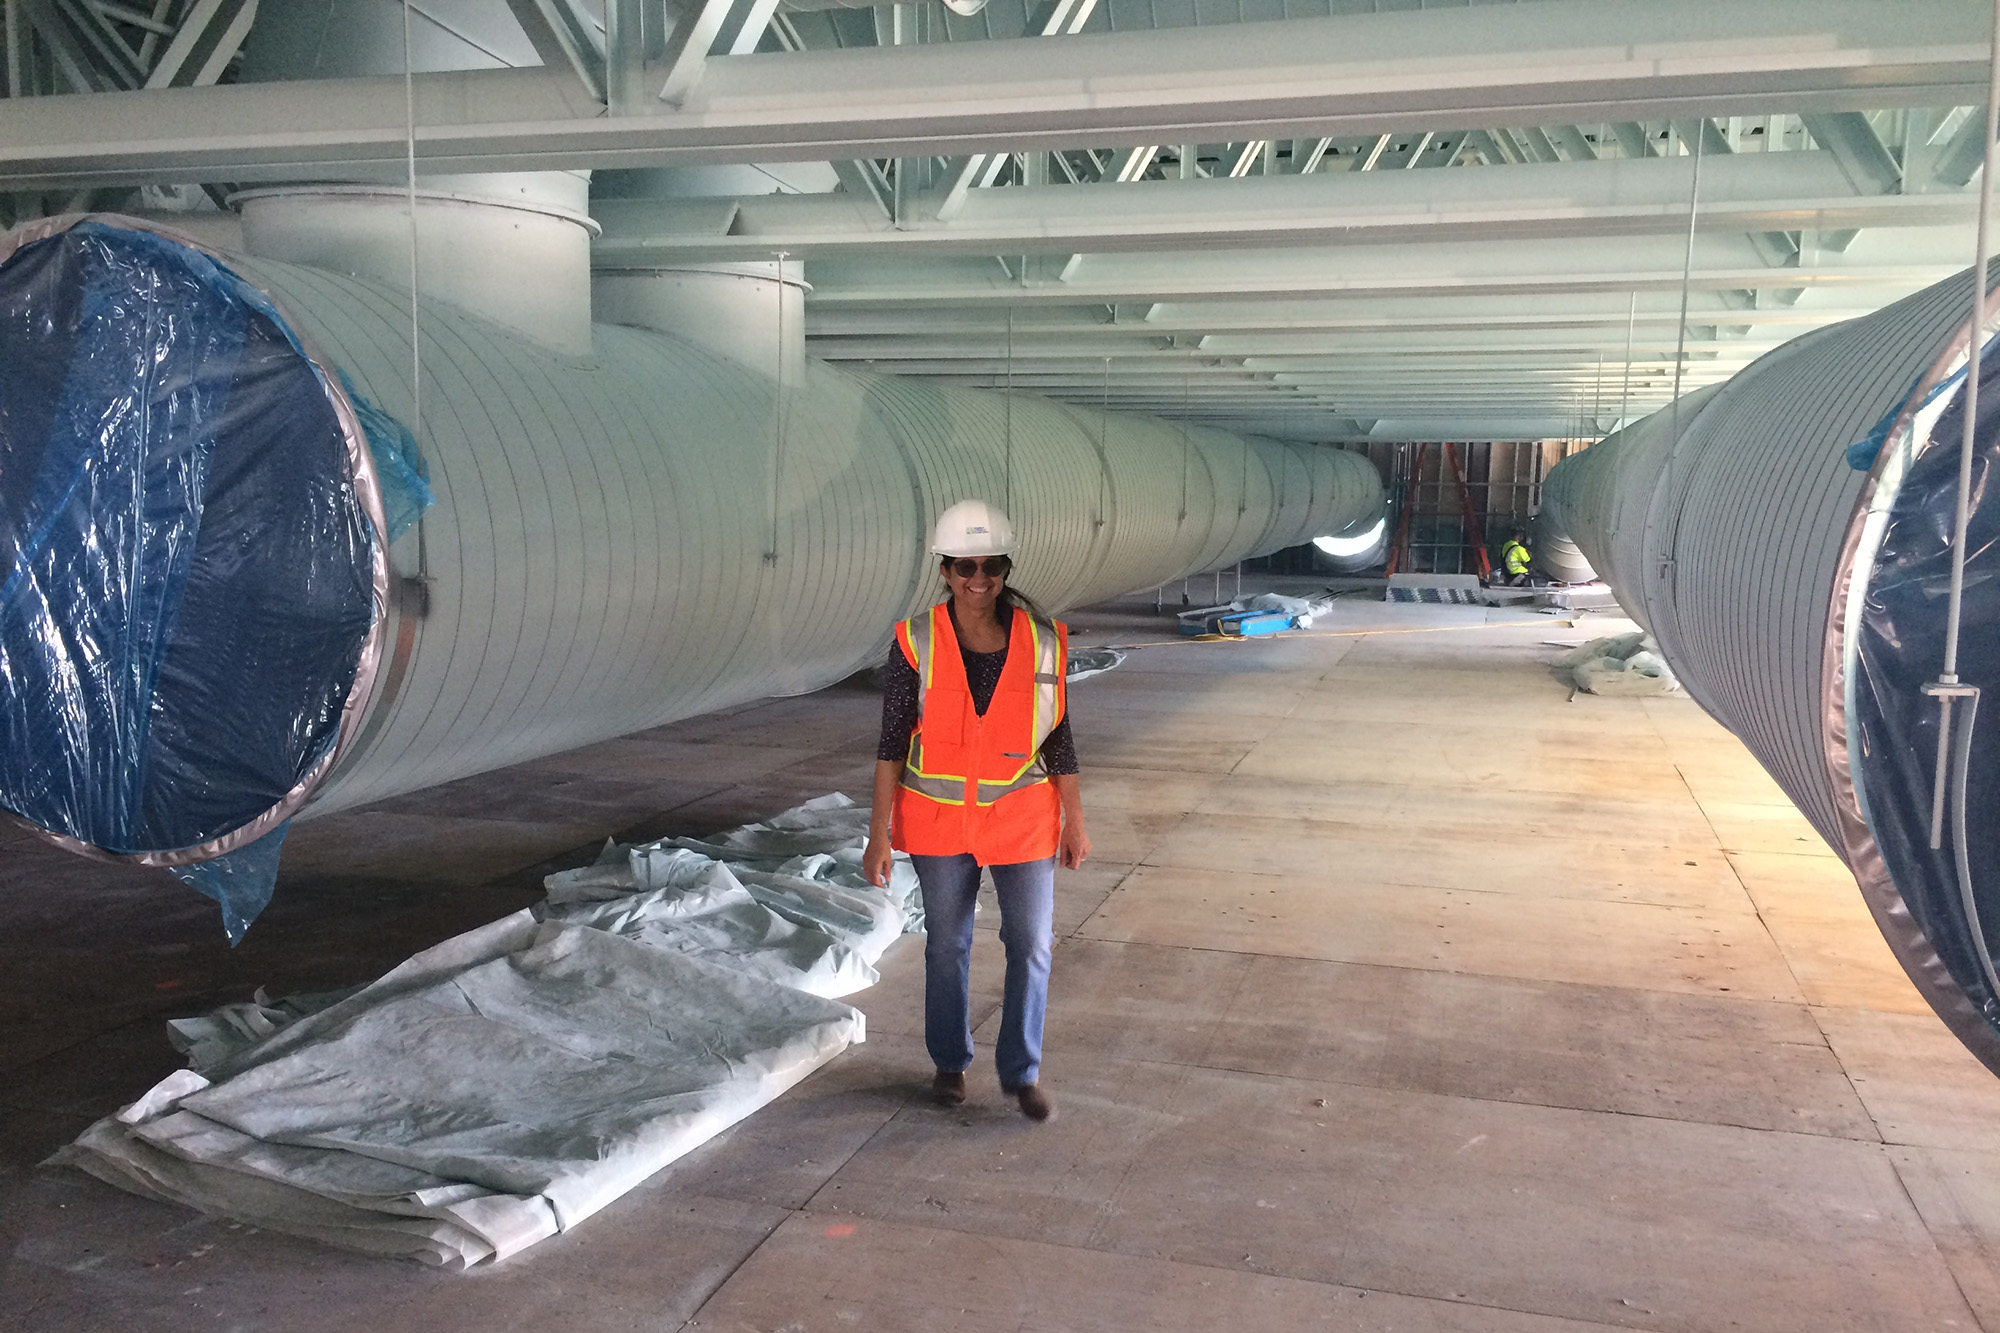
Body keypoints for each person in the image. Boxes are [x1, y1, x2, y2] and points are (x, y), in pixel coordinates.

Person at [862, 500, 1090, 1123]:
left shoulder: (1043, 642)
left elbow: (1059, 736)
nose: (978, 579)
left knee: (1031, 945)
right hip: (939, 823)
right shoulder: (915, 639)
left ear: (1005, 567)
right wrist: (877, 836)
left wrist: (1074, 818)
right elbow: (889, 744)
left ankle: (1021, 1073)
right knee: (948, 945)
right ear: (945, 570)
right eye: (965, 567)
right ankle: (949, 1064)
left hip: (1022, 822)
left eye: (990, 566)